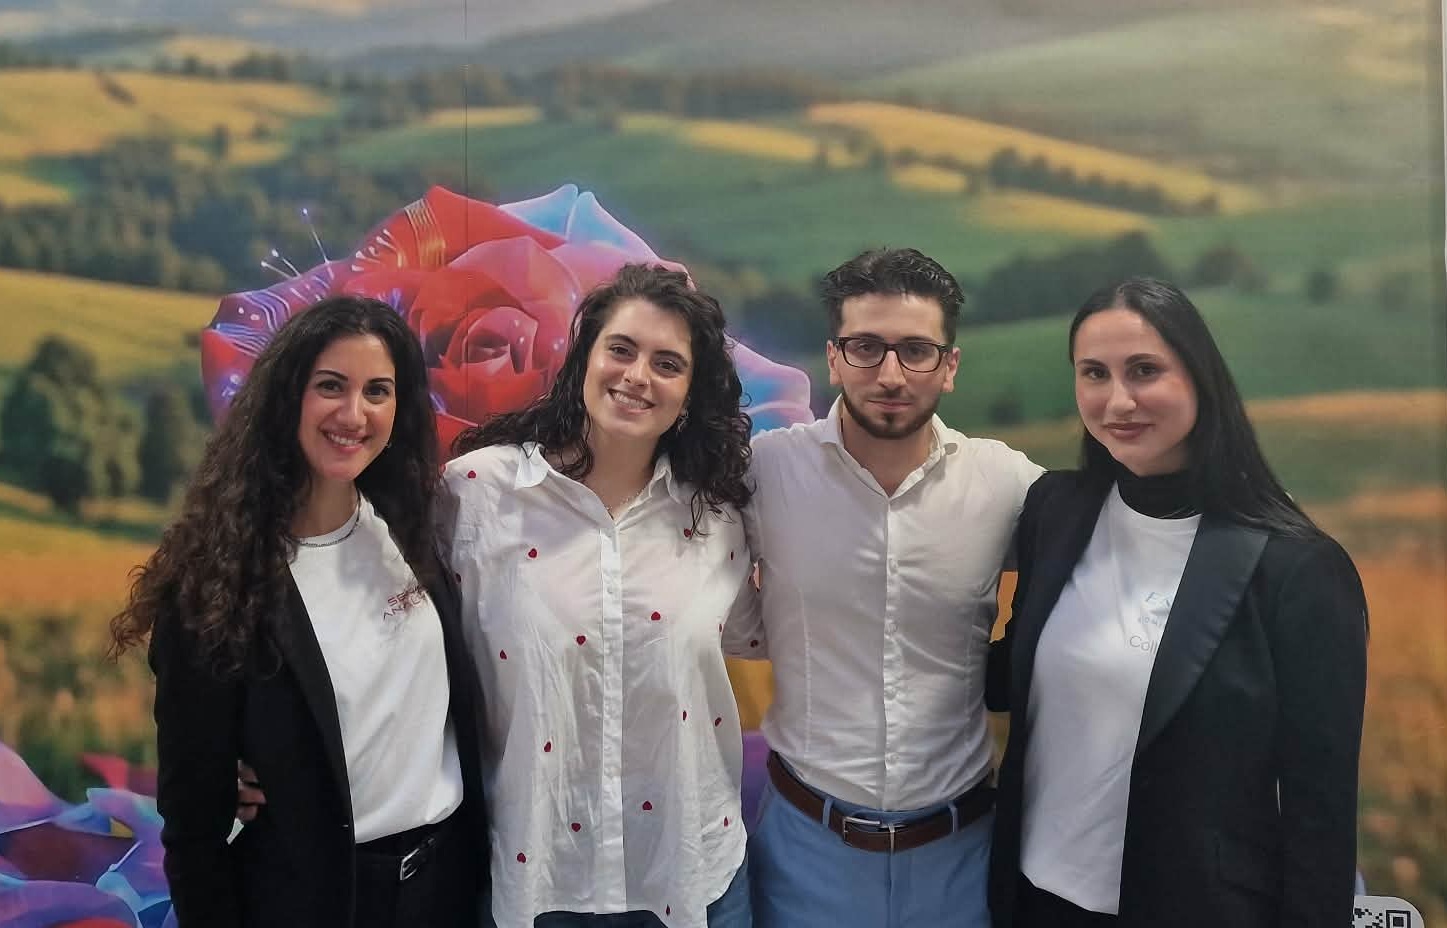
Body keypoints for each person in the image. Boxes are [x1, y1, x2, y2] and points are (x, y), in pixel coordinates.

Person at [985, 278, 1368, 928]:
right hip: (1032, 900)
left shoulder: (1297, 569)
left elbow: (1319, 811)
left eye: (1144, 370)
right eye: (1094, 373)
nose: (1117, 400)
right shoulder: (1056, 510)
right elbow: (1007, 676)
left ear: (1199, 377)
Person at [110, 296, 488, 928]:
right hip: (317, 900)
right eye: (330, 386)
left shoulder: (416, 528)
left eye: (377, 391)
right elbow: (194, 830)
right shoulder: (215, 585)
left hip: (444, 888)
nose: (354, 414)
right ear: (288, 398)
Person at [724, 248, 1042, 927]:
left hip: (962, 857)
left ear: (949, 366)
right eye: (866, 348)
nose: (891, 375)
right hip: (804, 853)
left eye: (916, 351)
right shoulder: (765, 473)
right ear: (833, 359)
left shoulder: (1004, 484)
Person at [442, 264, 755, 928]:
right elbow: (396, 635)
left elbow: (776, 632)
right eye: (621, 349)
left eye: (667, 364)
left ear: (690, 394)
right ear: (584, 358)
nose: (638, 375)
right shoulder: (476, 493)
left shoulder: (718, 516)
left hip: (687, 871)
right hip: (534, 875)